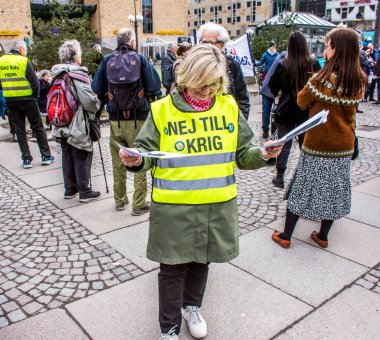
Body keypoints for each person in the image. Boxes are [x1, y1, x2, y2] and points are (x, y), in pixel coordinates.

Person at [118, 44, 283, 340]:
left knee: (201, 261)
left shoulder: (228, 106)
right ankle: (168, 330)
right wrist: (136, 160)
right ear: (186, 79)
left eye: (215, 84)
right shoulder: (162, 110)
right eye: (202, 85)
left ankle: (191, 307)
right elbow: (144, 153)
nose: (208, 91)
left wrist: (264, 154)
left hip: (215, 205)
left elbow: (243, 153)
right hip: (173, 207)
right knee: (171, 269)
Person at [272, 26, 367, 249]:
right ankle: (322, 236)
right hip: (344, 145)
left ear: (336, 48)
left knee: (302, 188)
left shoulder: (322, 80)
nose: (325, 49)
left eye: (328, 45)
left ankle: (286, 236)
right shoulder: (359, 79)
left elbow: (302, 101)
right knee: (334, 190)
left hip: (318, 144)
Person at [92, 27, 162, 213]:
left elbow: (96, 88)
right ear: (132, 42)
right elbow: (155, 87)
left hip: (115, 120)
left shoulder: (107, 60)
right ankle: (139, 204)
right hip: (138, 119)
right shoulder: (140, 59)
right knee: (138, 157)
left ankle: (120, 200)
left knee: (118, 161)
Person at [51, 40, 101, 203]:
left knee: (67, 156)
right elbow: (89, 102)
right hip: (77, 124)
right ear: (76, 56)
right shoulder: (77, 75)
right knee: (82, 154)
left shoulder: (57, 74)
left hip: (60, 123)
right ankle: (85, 191)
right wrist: (97, 103)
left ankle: (70, 189)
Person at [268, 31, 321, 188]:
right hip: (307, 111)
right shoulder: (313, 63)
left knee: (283, 143)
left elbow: (272, 88)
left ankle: (279, 177)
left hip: (286, 109)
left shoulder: (283, 64)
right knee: (306, 145)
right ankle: (305, 178)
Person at [0, 40, 54, 169]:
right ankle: (46, 156)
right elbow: (35, 82)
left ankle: (26, 159)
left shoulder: (1, 61)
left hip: (11, 99)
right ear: (21, 49)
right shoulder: (23, 61)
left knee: (20, 130)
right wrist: (35, 95)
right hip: (28, 99)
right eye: (26, 50)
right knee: (38, 127)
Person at [199, 22, 250, 120]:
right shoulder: (193, 65)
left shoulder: (232, 65)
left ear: (222, 44)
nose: (206, 46)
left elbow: (243, 97)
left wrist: (240, 122)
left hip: (226, 120)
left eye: (210, 43)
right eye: (203, 42)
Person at [259, 51, 286, 139]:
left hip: (269, 86)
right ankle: (267, 130)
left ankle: (266, 131)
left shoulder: (281, 57)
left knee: (267, 110)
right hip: (270, 87)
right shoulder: (284, 56)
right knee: (268, 110)